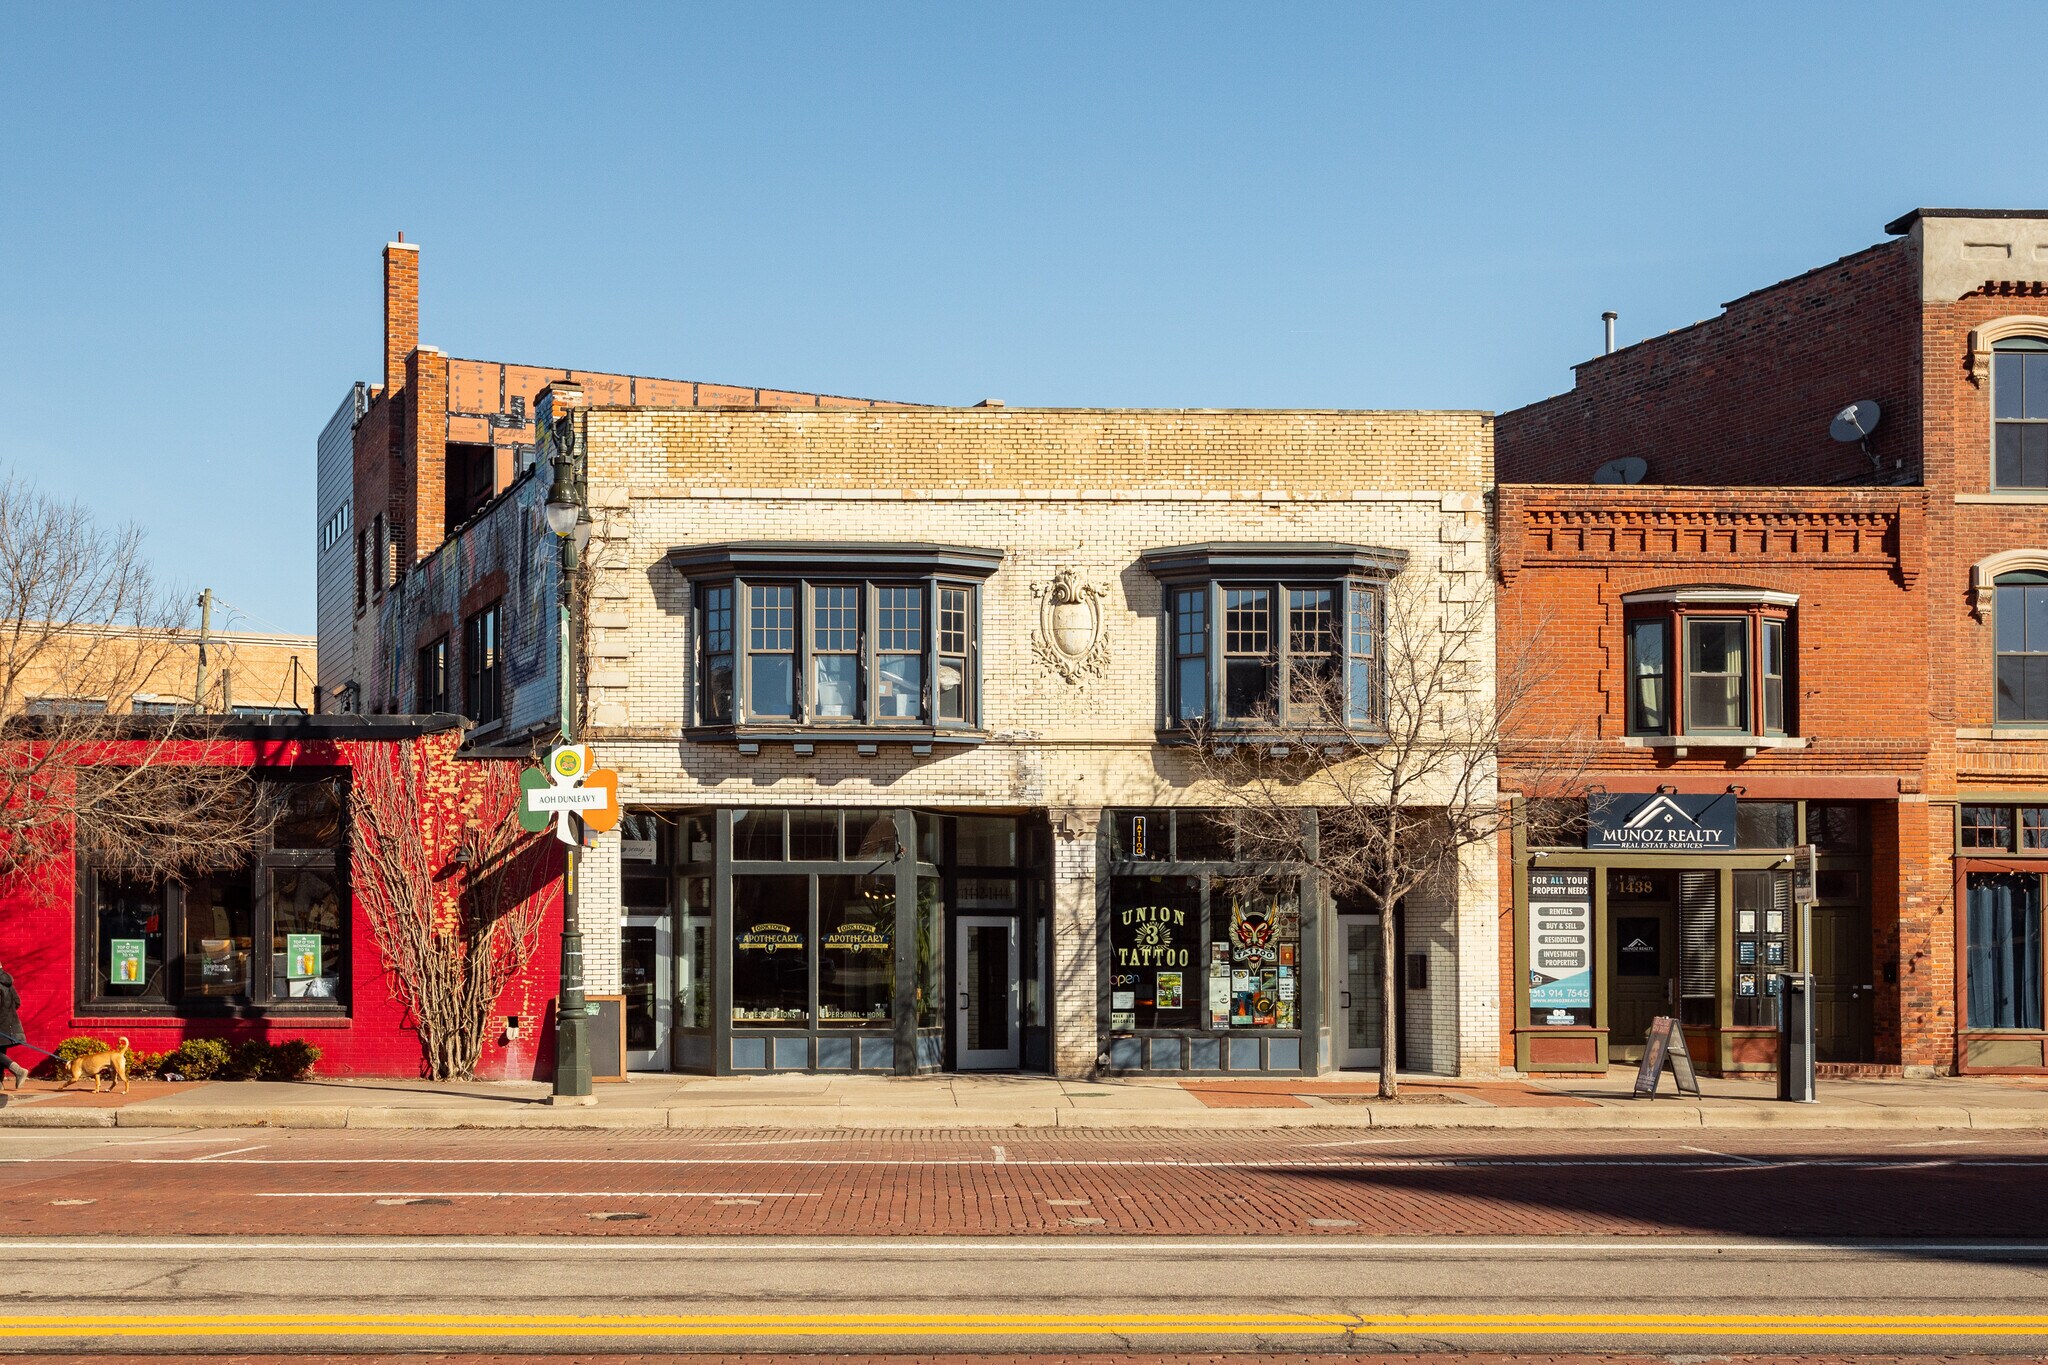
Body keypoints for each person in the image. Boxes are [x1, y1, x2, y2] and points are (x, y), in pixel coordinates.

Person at [0, 960, 28, 1089]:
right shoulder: (7, 982)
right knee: (0, 1053)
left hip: (1, 1024)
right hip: (9, 1024)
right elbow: (17, 1002)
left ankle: (18, 1070)